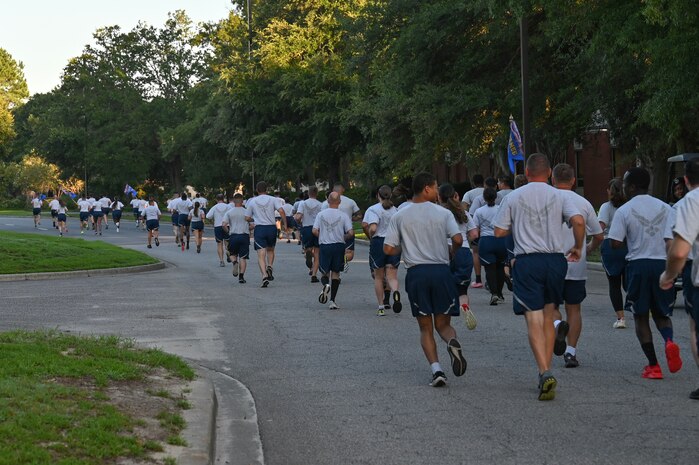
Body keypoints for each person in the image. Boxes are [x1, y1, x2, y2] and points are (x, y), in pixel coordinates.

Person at [493, 153, 585, 401]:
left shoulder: (514, 196)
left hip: (527, 261)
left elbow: (499, 231)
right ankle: (546, 370)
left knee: (533, 319)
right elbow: (578, 220)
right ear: (549, 173)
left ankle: (544, 371)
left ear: (528, 172)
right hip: (555, 261)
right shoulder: (559, 195)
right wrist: (577, 245)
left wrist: (518, 224)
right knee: (548, 316)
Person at [384, 172, 467, 387]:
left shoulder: (400, 215)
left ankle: (437, 370)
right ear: (427, 189)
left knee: (425, 327)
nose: (438, 191)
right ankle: (451, 342)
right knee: (443, 324)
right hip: (441, 271)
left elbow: (388, 248)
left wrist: (407, 246)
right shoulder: (443, 213)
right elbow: (458, 239)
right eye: (436, 186)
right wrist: (452, 252)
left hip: (417, 273)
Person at [609, 167, 681, 380]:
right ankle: (669, 341)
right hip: (662, 264)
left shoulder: (624, 210)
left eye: (625, 184)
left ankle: (654, 366)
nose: (622, 188)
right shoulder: (666, 208)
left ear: (632, 187)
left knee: (641, 316)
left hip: (638, 266)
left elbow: (614, 242)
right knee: (661, 313)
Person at [550, 163, 604, 368]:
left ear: (553, 180)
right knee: (574, 309)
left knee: (551, 305)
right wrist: (587, 248)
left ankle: (557, 325)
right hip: (576, 262)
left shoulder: (548, 200)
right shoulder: (583, 203)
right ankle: (571, 353)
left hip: (552, 262)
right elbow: (599, 235)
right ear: (573, 180)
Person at [660, 158, 699, 399]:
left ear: (686, 180)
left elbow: (677, 249)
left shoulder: (689, 203)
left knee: (695, 328)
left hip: (695, 271)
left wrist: (669, 274)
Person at [439, 183, 478, 329]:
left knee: (446, 285)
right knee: (462, 288)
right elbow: (474, 234)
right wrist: (466, 238)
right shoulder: (464, 213)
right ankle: (464, 306)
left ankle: (447, 311)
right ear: (455, 196)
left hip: (444, 251)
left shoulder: (439, 213)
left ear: (439, 197)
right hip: (464, 251)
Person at [363, 185, 401, 316]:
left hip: (379, 242)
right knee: (392, 275)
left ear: (377, 195)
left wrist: (371, 236)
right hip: (394, 242)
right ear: (390, 195)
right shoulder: (396, 210)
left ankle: (380, 306)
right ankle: (395, 292)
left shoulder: (373, 209)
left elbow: (373, 228)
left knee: (378, 277)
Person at [314, 192, 354, 309]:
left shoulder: (321, 215)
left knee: (324, 272)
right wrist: (344, 237)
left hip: (325, 246)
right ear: (340, 202)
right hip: (339, 246)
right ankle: (332, 301)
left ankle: (326, 284)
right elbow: (350, 232)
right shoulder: (344, 215)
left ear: (328, 201)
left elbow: (314, 230)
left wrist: (322, 235)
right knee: (336, 273)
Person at [598, 178, 628, 329]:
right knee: (629, 281)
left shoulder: (606, 207)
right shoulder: (629, 206)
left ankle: (621, 318)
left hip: (611, 246)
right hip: (628, 245)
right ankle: (641, 308)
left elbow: (600, 227)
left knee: (614, 284)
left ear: (610, 191)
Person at [245, 181, 287, 287]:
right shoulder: (273, 199)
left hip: (260, 228)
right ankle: (270, 266)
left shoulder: (252, 201)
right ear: (266, 189)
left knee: (261, 254)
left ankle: (264, 276)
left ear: (257, 190)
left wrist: (254, 219)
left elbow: (246, 217)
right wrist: (285, 224)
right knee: (271, 249)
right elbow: (281, 211)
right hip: (271, 228)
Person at [473, 187, 508, 306]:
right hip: (500, 240)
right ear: (496, 197)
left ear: (484, 198)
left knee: (489, 269)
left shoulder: (479, 211)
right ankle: (500, 293)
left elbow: (475, 230)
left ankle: (494, 294)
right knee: (500, 267)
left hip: (486, 241)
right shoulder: (501, 210)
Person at [321, 183, 361, 272]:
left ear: (333, 191)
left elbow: (321, 217)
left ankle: (333, 265)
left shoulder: (325, 203)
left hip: (330, 230)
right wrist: (352, 218)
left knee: (332, 251)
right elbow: (359, 215)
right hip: (347, 229)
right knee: (349, 252)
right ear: (342, 190)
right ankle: (344, 259)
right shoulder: (351, 201)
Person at [295, 187, 323, 283]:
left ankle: (308, 253)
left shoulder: (302, 203)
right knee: (317, 253)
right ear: (317, 193)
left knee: (308, 248)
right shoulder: (321, 204)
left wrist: (298, 221)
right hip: (317, 228)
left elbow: (298, 216)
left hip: (306, 228)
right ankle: (314, 275)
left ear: (308, 193)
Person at [462, 174, 485, 288]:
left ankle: (478, 278)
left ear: (473, 182)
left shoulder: (469, 194)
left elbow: (464, 208)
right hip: (491, 226)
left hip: (476, 226)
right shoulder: (490, 192)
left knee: (476, 252)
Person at [223, 193, 252, 284]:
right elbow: (252, 225)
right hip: (244, 236)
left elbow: (223, 224)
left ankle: (234, 262)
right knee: (243, 257)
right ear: (242, 201)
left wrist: (228, 231)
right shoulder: (246, 212)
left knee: (232, 253)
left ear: (233, 201)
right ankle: (241, 277)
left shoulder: (229, 212)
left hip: (233, 235)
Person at [206, 194, 232, 265]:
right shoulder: (228, 206)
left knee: (219, 244)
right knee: (227, 243)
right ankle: (228, 252)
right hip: (226, 225)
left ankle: (221, 261)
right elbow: (232, 215)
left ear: (216, 199)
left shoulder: (214, 207)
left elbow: (208, 216)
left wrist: (213, 220)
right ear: (223, 199)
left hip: (218, 226)